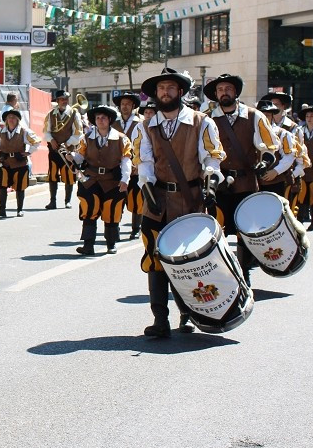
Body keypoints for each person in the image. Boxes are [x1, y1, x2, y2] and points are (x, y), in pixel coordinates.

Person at [135, 68, 225, 338]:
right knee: (155, 259)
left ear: (181, 92)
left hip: (189, 200)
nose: (165, 92)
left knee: (189, 261)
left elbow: (212, 157)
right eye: (161, 88)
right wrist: (147, 185)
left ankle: (189, 312)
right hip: (157, 201)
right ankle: (160, 318)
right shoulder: (145, 126)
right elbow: (145, 161)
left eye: (170, 88)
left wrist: (211, 178)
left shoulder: (202, 122)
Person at [204, 74, 279, 284]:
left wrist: (264, 161)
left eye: (228, 88)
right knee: (217, 230)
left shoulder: (254, 116)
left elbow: (269, 144)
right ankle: (222, 275)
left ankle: (244, 275)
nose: (224, 92)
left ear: (236, 92)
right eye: (220, 89)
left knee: (245, 232)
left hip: (246, 183)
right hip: (217, 184)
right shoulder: (206, 118)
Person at [72, 104, 132, 256]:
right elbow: (80, 156)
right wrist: (72, 158)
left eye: (103, 118)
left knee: (112, 210)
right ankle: (88, 245)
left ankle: (111, 244)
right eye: (98, 118)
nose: (100, 120)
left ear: (110, 120)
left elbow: (126, 160)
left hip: (112, 180)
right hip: (91, 179)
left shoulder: (121, 139)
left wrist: (125, 179)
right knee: (88, 209)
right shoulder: (86, 138)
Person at [0, 107, 41, 218]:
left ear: (17, 120)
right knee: (2, 186)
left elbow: (37, 141)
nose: (11, 119)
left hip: (19, 163)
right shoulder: (1, 131)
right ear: (6, 120)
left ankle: (19, 209)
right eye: (9, 117)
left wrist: (28, 152)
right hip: (5, 162)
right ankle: (2, 210)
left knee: (19, 187)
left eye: (13, 117)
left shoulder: (24, 131)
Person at [41, 90, 83, 210]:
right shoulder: (50, 114)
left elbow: (78, 133)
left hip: (68, 150)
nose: (64, 101)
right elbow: (46, 131)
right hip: (54, 150)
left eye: (66, 99)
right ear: (57, 101)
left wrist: (68, 143)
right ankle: (52, 201)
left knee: (69, 175)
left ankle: (67, 201)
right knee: (52, 175)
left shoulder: (74, 114)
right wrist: (51, 140)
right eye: (62, 99)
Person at [113, 92, 144, 239]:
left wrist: (138, 164)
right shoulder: (113, 123)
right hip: (116, 166)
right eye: (122, 104)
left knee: (136, 198)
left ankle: (135, 228)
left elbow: (145, 146)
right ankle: (115, 226)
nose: (125, 106)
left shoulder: (141, 123)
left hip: (136, 167)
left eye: (128, 104)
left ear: (133, 106)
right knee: (117, 198)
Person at [256, 99, 297, 201]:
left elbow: (289, 156)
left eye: (268, 115)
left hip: (275, 181)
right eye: (262, 115)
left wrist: (275, 171)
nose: (265, 118)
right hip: (254, 182)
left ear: (272, 116)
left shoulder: (282, 134)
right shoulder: (251, 133)